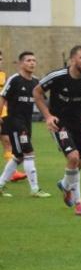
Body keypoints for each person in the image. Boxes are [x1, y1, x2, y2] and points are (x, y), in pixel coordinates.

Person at [33, 45, 81, 216]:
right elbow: (36, 92)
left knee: (78, 163)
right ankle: (78, 203)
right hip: (59, 123)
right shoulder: (57, 76)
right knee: (73, 157)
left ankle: (65, 185)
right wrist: (48, 116)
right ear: (72, 60)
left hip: (78, 123)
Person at [0, 52, 51, 198]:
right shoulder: (14, 80)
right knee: (28, 152)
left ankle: (1, 184)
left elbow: (41, 100)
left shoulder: (36, 82)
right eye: (28, 60)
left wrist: (48, 116)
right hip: (15, 122)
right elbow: (3, 97)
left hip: (27, 123)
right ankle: (34, 189)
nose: (32, 63)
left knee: (19, 156)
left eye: (34, 60)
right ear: (21, 63)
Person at [0, 51, 27, 183]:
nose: (0, 61)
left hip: (3, 113)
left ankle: (12, 173)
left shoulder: (3, 75)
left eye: (0, 59)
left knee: (7, 141)